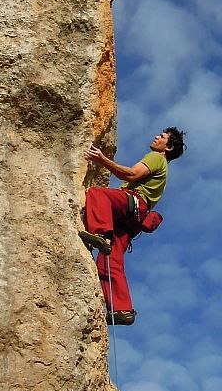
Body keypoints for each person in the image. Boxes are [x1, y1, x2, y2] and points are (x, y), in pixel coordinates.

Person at [79, 127, 186, 325]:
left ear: (168, 147)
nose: (156, 136)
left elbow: (131, 174)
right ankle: (122, 310)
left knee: (97, 193)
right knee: (108, 262)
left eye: (162, 136)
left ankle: (101, 233)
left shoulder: (156, 157)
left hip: (134, 204)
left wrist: (102, 160)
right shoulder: (164, 168)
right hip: (132, 220)